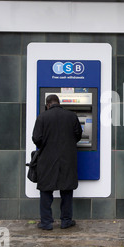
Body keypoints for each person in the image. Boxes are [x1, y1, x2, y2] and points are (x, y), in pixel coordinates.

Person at [32, 94, 82, 230]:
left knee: (46, 190)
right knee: (66, 190)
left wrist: (47, 144)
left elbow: (36, 138)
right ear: (58, 103)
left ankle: (46, 223)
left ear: (48, 104)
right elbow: (78, 135)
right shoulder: (71, 116)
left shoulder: (42, 117)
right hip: (67, 158)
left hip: (47, 159)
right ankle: (66, 221)